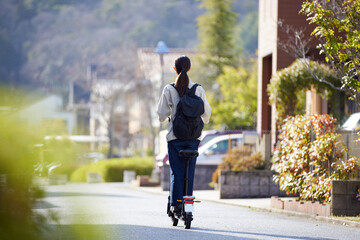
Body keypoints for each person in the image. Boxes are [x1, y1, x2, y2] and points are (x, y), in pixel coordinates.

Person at [157, 55, 211, 213]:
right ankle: (188, 203)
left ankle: (176, 205)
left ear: (175, 69)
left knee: (177, 172)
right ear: (189, 69)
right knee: (190, 172)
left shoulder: (169, 89)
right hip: (194, 139)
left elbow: (161, 115)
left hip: (175, 139)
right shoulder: (198, 89)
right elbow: (207, 114)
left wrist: (168, 116)